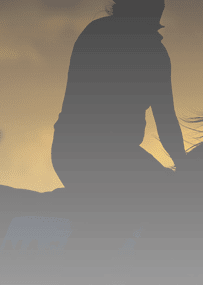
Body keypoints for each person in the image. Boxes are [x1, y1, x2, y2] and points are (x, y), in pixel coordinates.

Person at [51, 0, 185, 238]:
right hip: (92, 155)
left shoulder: (102, 34)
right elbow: (166, 123)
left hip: (104, 155)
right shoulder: (117, 41)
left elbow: (167, 124)